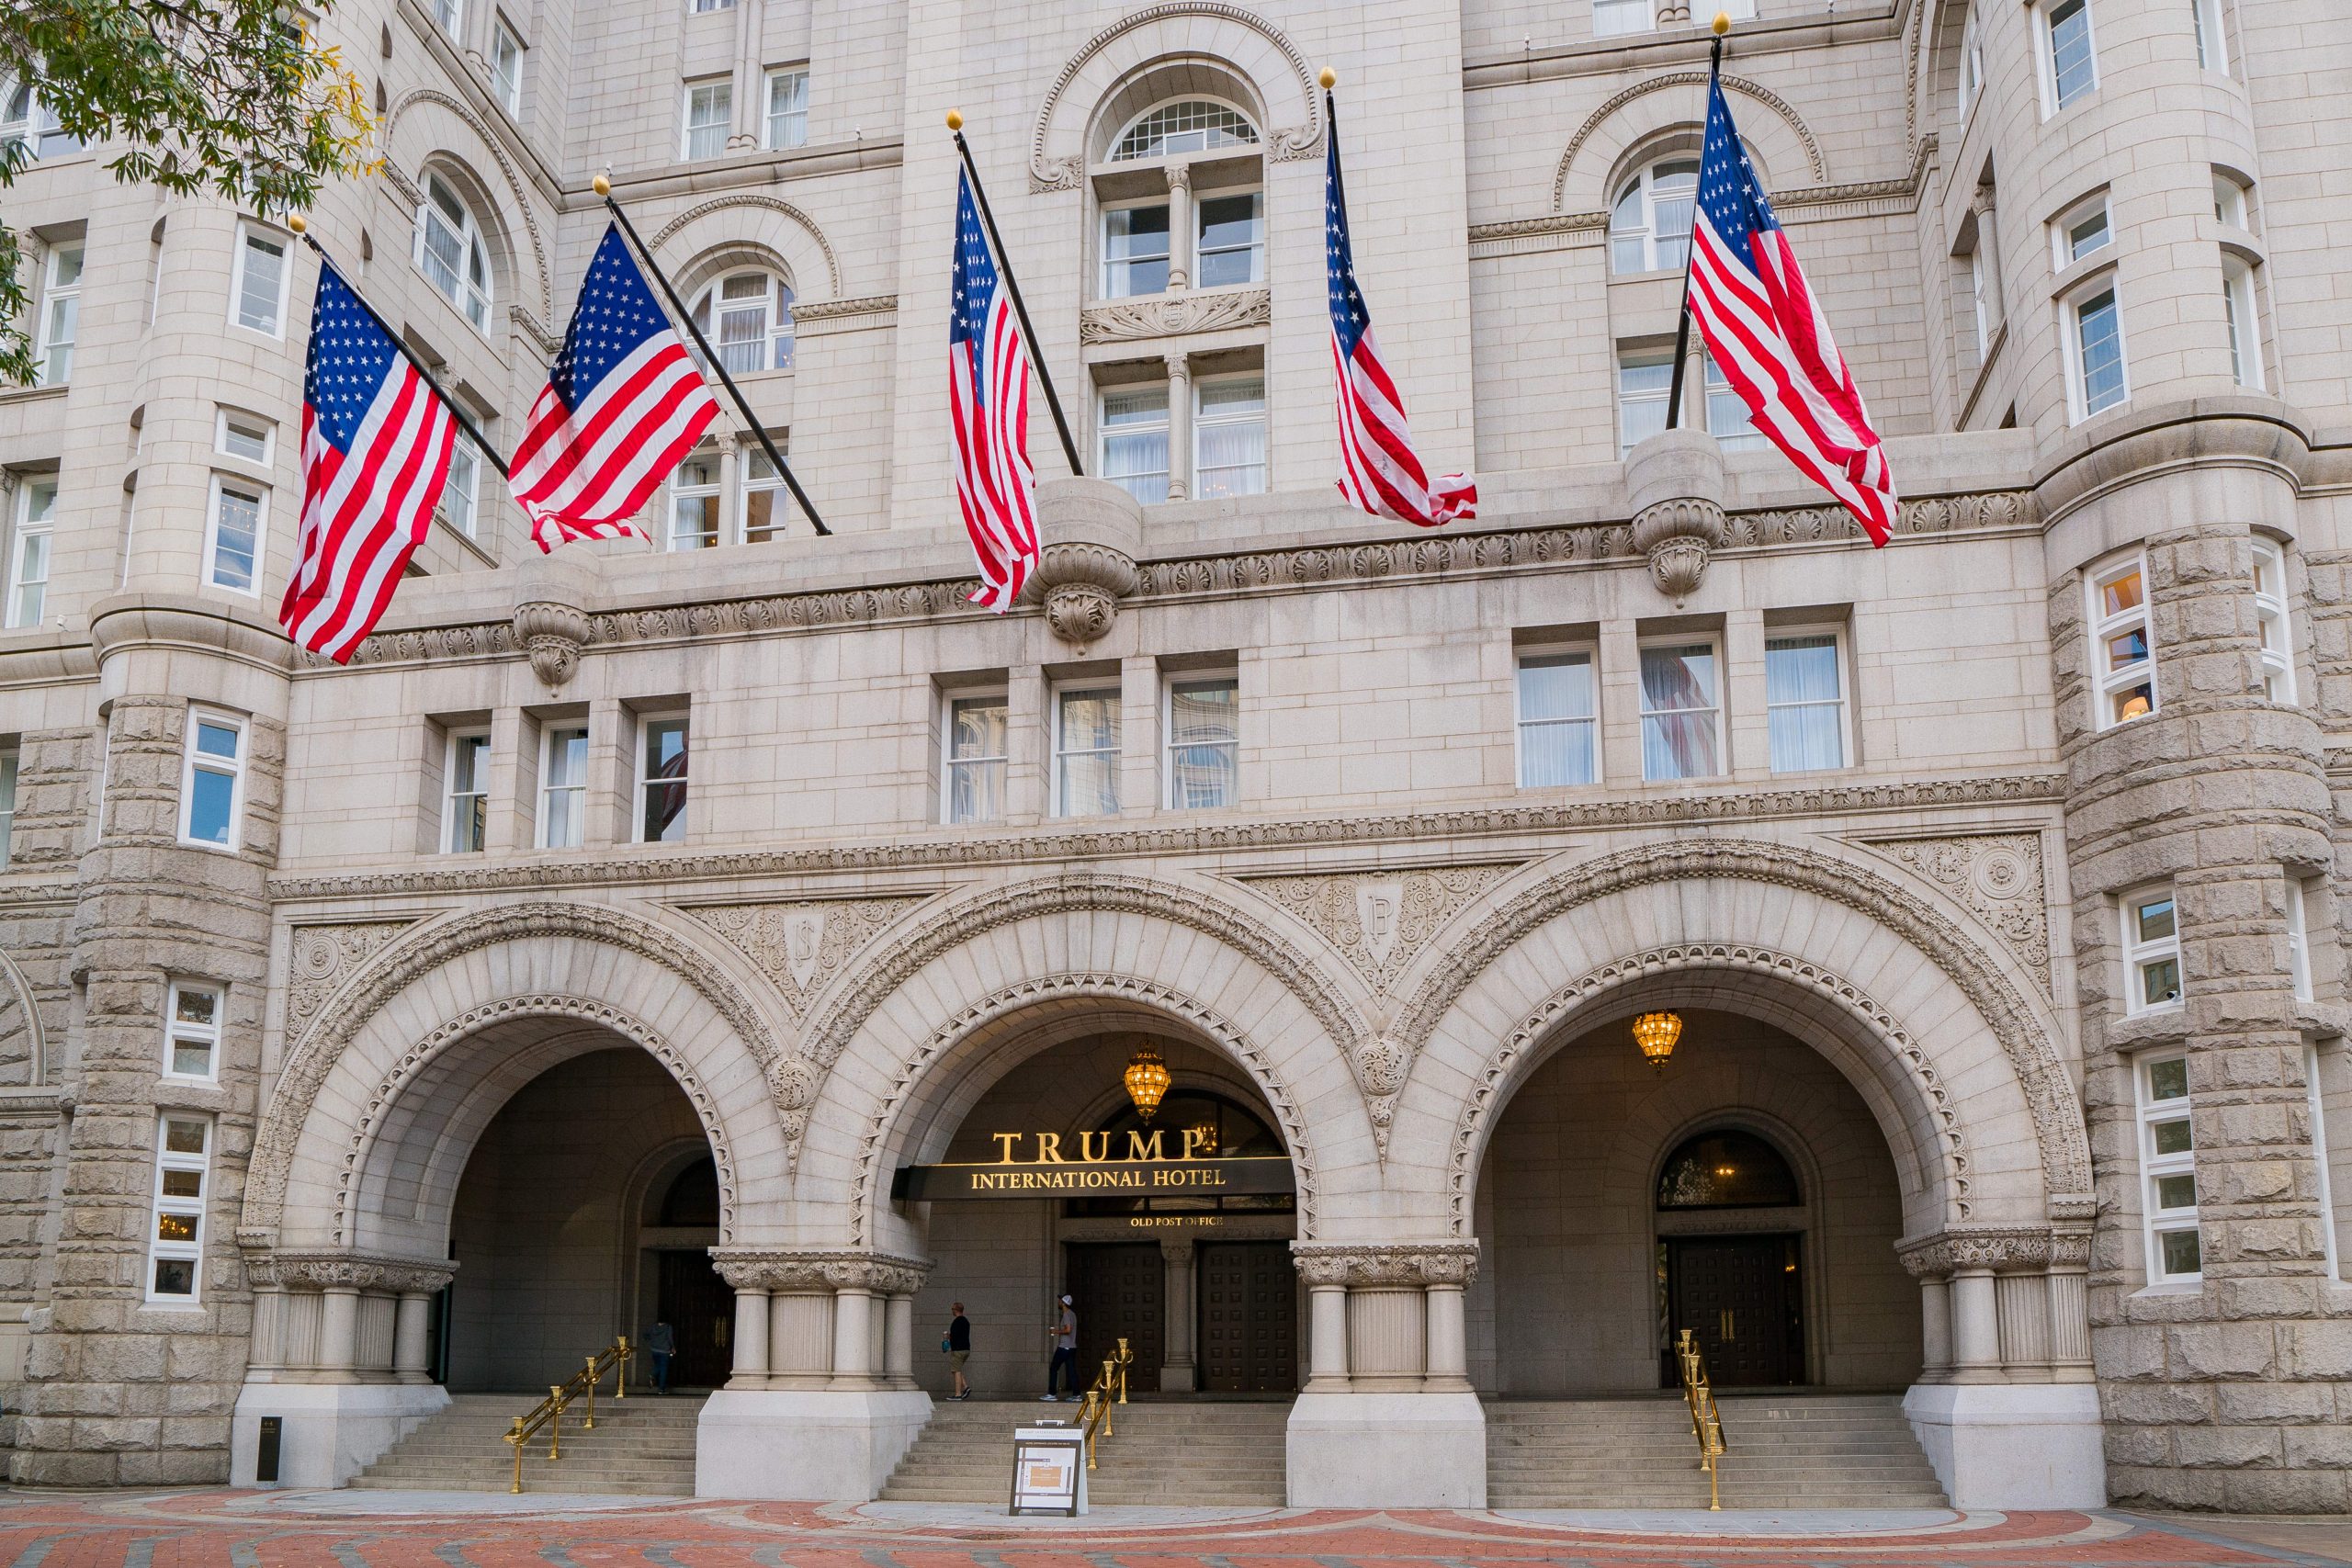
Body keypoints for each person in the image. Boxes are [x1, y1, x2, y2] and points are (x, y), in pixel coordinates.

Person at [1042, 1293, 1077, 1401]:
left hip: (1064, 1347)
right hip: (1072, 1347)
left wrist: (1055, 1331)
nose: (1058, 1302)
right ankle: (1077, 1395)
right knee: (1071, 1371)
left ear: (1063, 1303)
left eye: (1060, 1301)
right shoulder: (1072, 1314)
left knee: (1054, 1368)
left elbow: (1068, 1330)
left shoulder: (1066, 1314)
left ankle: (1052, 1394)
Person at [946, 1302, 972, 1400]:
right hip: (966, 1349)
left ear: (956, 1310)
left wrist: (948, 1337)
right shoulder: (966, 1321)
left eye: (952, 1309)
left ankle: (958, 1394)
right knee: (956, 1369)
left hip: (958, 1350)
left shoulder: (957, 1322)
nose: (952, 1311)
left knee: (956, 1370)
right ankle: (965, 1387)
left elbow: (955, 1336)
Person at [644, 1319, 675, 1393]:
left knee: (658, 1365)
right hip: (664, 1351)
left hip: (654, 1350)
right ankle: (661, 1388)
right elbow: (670, 1337)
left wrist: (652, 1340)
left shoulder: (653, 1326)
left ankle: (653, 1374)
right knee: (663, 1370)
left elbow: (646, 1334)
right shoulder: (668, 1327)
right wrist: (673, 1347)